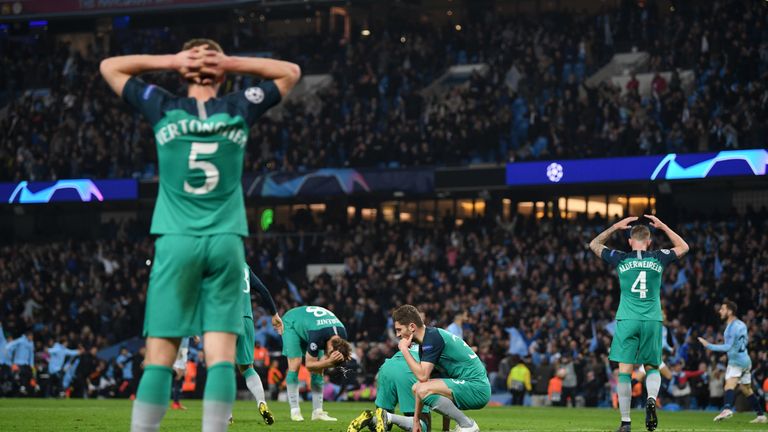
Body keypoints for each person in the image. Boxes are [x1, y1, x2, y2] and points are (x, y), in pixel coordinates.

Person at [100, 38, 299, 432]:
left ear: (185, 70)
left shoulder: (164, 106)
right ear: (223, 74)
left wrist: (172, 61)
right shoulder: (239, 106)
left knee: (159, 356)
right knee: (223, 357)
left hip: (175, 239)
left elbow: (110, 66)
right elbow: (289, 71)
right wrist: (229, 62)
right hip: (226, 242)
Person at [589, 214, 688, 432]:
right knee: (652, 366)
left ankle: (625, 423)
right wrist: (663, 225)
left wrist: (615, 226)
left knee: (625, 370)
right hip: (652, 319)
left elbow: (594, 244)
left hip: (627, 318)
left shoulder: (620, 258)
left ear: (630, 241)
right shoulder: (659, 257)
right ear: (650, 241)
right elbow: (684, 246)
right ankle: (651, 398)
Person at [387, 304, 490, 432]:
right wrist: (416, 421)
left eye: (399, 329)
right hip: (466, 385)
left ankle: (467, 425)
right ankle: (457, 427)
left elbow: (422, 376)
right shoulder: (428, 340)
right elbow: (426, 384)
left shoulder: (432, 339)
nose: (397, 335)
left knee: (420, 388)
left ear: (412, 327)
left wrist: (404, 349)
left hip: (477, 387)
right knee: (418, 388)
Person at [229, 265, 283, 425]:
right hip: (246, 320)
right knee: (247, 368)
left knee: (222, 366)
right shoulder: (244, 266)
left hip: (226, 318)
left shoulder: (218, 260)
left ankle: (226, 414)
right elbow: (263, 290)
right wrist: (274, 314)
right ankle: (261, 402)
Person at [698, 300, 767, 423]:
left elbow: (728, 346)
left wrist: (708, 345)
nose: (720, 311)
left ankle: (727, 409)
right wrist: (728, 354)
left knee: (729, 384)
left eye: (723, 309)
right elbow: (742, 343)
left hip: (736, 362)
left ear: (730, 311)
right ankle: (761, 415)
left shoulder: (730, 328)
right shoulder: (741, 324)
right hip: (745, 360)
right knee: (746, 389)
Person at [281, 305, 352, 421]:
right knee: (295, 364)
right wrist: (329, 362)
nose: (328, 355)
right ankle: (295, 411)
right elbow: (309, 365)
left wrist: (330, 362)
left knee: (319, 370)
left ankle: (317, 412)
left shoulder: (342, 336)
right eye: (329, 353)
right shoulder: (318, 335)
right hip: (291, 323)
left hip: (311, 324)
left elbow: (320, 364)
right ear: (329, 346)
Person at [347, 345, 431, 432]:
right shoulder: (434, 348)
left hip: (387, 367)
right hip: (410, 368)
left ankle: (370, 420)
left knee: (385, 424)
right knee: (421, 424)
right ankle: (388, 417)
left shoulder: (418, 342)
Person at [6, 330, 35, 396]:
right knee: (20, 375)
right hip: (18, 362)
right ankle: (19, 388)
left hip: (26, 363)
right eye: (31, 336)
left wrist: (31, 364)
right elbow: (11, 345)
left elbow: (31, 354)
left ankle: (23, 388)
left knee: (28, 376)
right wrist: (7, 349)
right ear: (28, 336)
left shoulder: (31, 343)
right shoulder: (21, 340)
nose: (32, 338)